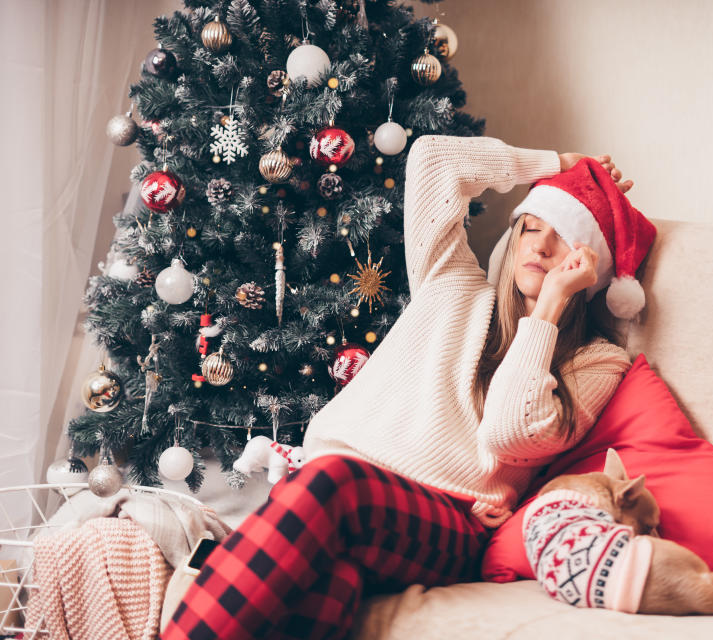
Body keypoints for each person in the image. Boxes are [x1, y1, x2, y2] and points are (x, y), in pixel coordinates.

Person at [161, 135, 655, 639]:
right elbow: (434, 159)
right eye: (531, 226)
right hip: (326, 490)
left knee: (335, 482)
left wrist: (547, 309)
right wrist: (557, 163)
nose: (541, 245)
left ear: (590, 267)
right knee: (329, 587)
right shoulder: (452, 281)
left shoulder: (596, 361)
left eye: (565, 238)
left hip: (442, 519)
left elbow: (511, 432)